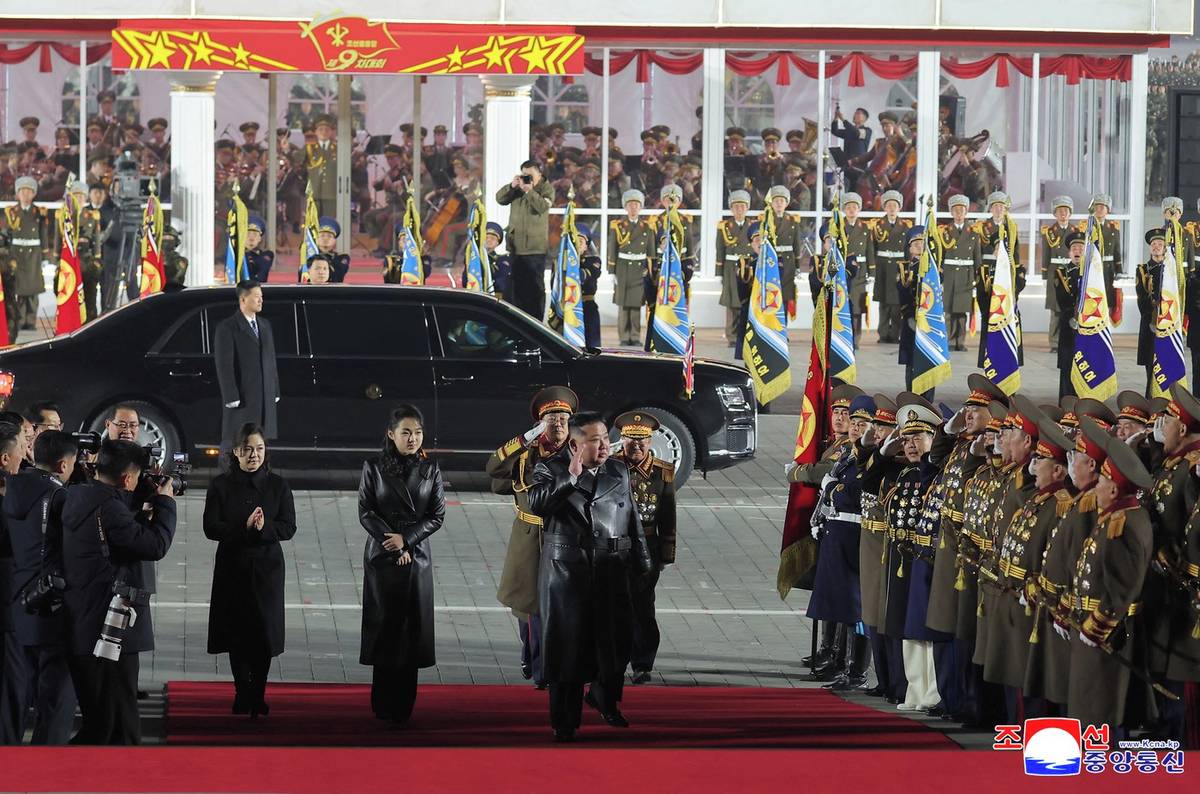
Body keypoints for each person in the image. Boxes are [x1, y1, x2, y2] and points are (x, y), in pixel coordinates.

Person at [527, 412, 653, 742]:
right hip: (568, 574)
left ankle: (605, 699)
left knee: (614, 644)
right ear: (575, 445)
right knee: (567, 651)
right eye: (595, 440)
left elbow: (631, 517)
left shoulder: (618, 470)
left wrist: (642, 562)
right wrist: (570, 478)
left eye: (606, 439)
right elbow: (536, 504)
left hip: (612, 569)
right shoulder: (550, 468)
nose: (604, 446)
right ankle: (564, 721)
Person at [60, 439, 175, 744]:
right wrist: (166, 503)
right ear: (126, 478)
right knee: (116, 726)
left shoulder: (75, 496)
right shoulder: (110, 508)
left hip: (82, 622)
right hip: (110, 628)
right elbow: (154, 545)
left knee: (101, 721)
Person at [1063, 431, 1155, 734]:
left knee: (1100, 704)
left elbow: (1122, 586)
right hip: (1092, 621)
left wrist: (1098, 625)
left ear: (1114, 489)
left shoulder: (1123, 524)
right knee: (1091, 702)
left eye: (1102, 482)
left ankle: (1102, 756)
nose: (1097, 487)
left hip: (1107, 631)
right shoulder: (1116, 516)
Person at [203, 423, 296, 719]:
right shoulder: (220, 485)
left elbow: (288, 527)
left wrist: (264, 528)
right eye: (247, 450)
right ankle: (242, 692)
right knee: (237, 633)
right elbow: (210, 527)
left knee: (263, 634)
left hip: (267, 568)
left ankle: (258, 694)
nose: (254, 455)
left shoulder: (278, 486)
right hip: (233, 565)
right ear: (235, 452)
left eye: (259, 449)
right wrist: (242, 528)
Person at [358, 405, 444, 723]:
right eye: (406, 432)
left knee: (411, 634)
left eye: (417, 432)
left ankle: (404, 705)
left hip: (416, 557)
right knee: (386, 630)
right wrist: (393, 544)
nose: (412, 438)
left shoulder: (431, 469)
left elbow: (436, 515)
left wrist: (406, 540)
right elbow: (366, 511)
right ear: (391, 434)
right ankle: (382, 703)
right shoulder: (374, 467)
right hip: (382, 557)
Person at [486, 387, 577, 688]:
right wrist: (525, 439)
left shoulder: (576, 452)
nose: (558, 424)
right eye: (551, 418)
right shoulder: (527, 454)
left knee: (556, 607)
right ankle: (533, 658)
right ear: (540, 423)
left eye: (563, 418)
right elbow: (494, 469)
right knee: (528, 607)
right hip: (529, 538)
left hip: (563, 535)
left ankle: (546, 669)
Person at [0, 431, 77, 744]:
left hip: (18, 600)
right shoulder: (59, 497)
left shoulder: (11, 490)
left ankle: (9, 756)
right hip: (52, 603)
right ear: (63, 465)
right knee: (57, 694)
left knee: (16, 689)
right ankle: (46, 761)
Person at [808, 395, 875, 691]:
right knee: (839, 603)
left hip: (855, 537)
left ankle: (856, 670)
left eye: (863, 424)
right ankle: (839, 660)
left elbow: (853, 493)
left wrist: (833, 487)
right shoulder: (848, 455)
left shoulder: (870, 460)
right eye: (854, 423)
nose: (856, 428)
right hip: (838, 535)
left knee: (855, 608)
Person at [611, 412, 676, 685]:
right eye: (631, 440)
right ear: (622, 441)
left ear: (650, 442)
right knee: (614, 606)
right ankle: (613, 661)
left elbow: (668, 515)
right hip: (614, 546)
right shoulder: (610, 467)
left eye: (642, 441)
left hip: (647, 548)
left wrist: (666, 554)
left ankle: (642, 663)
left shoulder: (662, 472)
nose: (636, 446)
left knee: (643, 606)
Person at [213, 281, 279, 450]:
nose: (261, 300)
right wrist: (231, 396)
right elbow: (224, 365)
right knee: (236, 440)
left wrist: (275, 389)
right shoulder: (227, 327)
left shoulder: (265, 325)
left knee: (259, 441)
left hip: (264, 395)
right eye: (256, 297)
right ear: (243, 299)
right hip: (243, 397)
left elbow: (271, 360)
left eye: (261, 297)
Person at [495, 160, 554, 320]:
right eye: (524, 175)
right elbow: (500, 199)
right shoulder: (518, 189)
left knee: (534, 289)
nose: (527, 178)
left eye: (530, 175)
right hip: (516, 247)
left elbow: (542, 207)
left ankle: (536, 323)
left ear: (539, 174)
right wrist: (512, 186)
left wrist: (529, 191)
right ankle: (518, 322)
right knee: (516, 288)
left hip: (534, 249)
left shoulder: (546, 188)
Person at [974, 192, 1024, 369]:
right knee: (987, 315)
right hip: (987, 273)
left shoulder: (1011, 226)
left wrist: (1016, 273)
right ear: (990, 208)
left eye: (1001, 206)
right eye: (995, 206)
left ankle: (1007, 353)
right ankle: (986, 354)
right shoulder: (982, 226)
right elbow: (977, 251)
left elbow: (1015, 253)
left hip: (1007, 275)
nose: (998, 209)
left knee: (1007, 314)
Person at [1, 176, 48, 339]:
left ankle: (31, 320)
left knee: (33, 289)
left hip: (34, 253)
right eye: (22, 191)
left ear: (34, 194)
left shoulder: (39, 212)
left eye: (29, 191)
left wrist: (45, 255)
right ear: (17, 193)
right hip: (17, 254)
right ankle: (19, 320)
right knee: (19, 288)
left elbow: (43, 234)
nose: (25, 194)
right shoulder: (11, 212)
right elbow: (6, 233)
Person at [607, 189, 655, 346]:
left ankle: (635, 337)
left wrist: (651, 271)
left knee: (636, 305)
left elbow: (651, 252)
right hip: (623, 268)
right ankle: (623, 337)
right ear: (625, 207)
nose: (633, 208)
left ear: (640, 207)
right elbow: (612, 248)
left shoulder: (647, 227)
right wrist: (612, 270)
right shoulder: (618, 226)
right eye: (630, 205)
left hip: (639, 269)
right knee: (623, 305)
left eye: (636, 205)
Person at [939, 194, 982, 351]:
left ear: (966, 212)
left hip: (966, 275)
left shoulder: (974, 233)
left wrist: (977, 277)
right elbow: (940, 256)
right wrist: (940, 276)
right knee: (949, 310)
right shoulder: (943, 232)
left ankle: (961, 342)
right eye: (955, 210)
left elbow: (977, 258)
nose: (958, 213)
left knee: (962, 311)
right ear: (951, 212)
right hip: (950, 275)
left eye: (961, 210)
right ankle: (950, 341)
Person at [869, 190, 911, 343]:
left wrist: (907, 269)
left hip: (899, 266)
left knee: (897, 303)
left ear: (899, 208)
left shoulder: (905, 226)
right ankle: (883, 333)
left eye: (895, 205)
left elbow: (908, 250)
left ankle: (895, 335)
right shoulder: (877, 226)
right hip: (882, 266)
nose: (892, 208)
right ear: (884, 208)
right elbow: (872, 248)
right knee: (883, 302)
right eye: (889, 205)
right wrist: (872, 268)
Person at [716, 190, 754, 346]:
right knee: (732, 303)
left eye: (743, 206)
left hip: (748, 268)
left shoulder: (754, 226)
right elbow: (720, 250)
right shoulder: (724, 226)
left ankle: (746, 335)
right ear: (731, 209)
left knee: (747, 302)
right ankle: (731, 336)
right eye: (736, 206)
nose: (739, 209)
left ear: (747, 208)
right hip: (731, 268)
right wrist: (720, 273)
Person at [1052, 231, 1087, 399]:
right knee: (1067, 363)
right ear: (1069, 253)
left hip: (1088, 323)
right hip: (1069, 322)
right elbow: (1062, 299)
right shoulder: (1062, 273)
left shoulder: (1091, 273)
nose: (1077, 251)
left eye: (1081, 248)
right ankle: (1066, 401)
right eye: (1074, 249)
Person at [1041, 196, 1075, 354]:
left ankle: (1069, 340)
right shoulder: (1049, 232)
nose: (1063, 213)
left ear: (1070, 213)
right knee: (1056, 310)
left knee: (1070, 308)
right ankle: (1054, 342)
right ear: (1054, 213)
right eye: (1060, 210)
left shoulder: (1076, 231)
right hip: (1054, 272)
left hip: (1070, 270)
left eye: (1066, 210)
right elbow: (1045, 255)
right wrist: (1044, 275)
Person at [305, 114, 337, 218]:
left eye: (327, 130)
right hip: (314, 191)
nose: (324, 132)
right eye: (321, 129)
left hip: (330, 192)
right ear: (316, 132)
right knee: (312, 222)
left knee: (329, 223)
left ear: (331, 132)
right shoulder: (309, 148)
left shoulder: (337, 149)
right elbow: (297, 159)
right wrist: (286, 148)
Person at [308, 218, 350, 283]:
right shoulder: (309, 255)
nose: (325, 239)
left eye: (329, 236)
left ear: (334, 241)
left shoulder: (342, 257)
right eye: (322, 236)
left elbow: (339, 274)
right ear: (316, 239)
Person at [483, 222, 512, 302]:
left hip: (496, 300)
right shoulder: (475, 259)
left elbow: (502, 284)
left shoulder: (502, 261)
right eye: (486, 237)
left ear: (497, 243)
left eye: (493, 238)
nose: (489, 240)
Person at [245, 215, 274, 284]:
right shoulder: (234, 254)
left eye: (255, 235)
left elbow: (261, 277)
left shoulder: (267, 255)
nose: (251, 239)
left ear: (259, 239)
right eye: (248, 234)